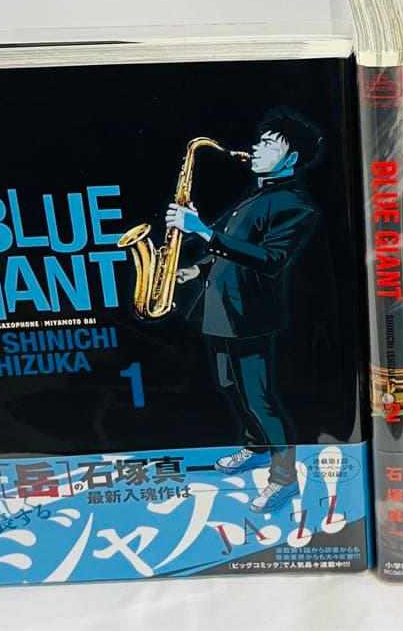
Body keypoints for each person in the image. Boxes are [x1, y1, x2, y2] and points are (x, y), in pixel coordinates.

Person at [166, 107, 321, 513]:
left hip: (247, 317)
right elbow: (230, 246)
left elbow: (269, 260)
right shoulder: (256, 194)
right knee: (229, 384)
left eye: (269, 144)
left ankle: (284, 479)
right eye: (259, 141)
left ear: (291, 158)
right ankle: (256, 448)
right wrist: (195, 269)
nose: (255, 148)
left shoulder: (294, 206)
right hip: (220, 309)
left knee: (259, 398)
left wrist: (200, 230)